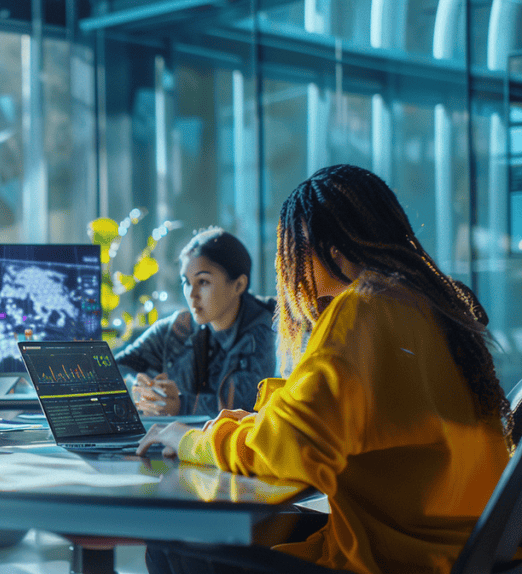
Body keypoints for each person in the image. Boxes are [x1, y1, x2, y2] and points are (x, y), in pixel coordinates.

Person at [138, 164, 512, 574]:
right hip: (453, 547)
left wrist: (193, 441)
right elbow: (325, 422)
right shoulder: (437, 303)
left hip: (394, 559)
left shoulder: (366, 307)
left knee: (175, 538)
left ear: (329, 251)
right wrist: (258, 423)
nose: (290, 273)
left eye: (293, 254)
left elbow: (295, 446)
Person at [115, 227, 275, 417]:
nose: (191, 295)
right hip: (178, 443)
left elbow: (244, 405)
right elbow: (115, 370)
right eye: (186, 282)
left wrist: (180, 406)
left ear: (238, 285)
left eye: (203, 282)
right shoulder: (178, 328)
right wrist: (140, 388)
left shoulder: (271, 330)